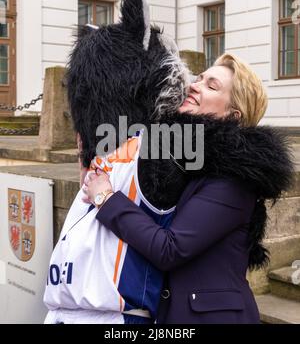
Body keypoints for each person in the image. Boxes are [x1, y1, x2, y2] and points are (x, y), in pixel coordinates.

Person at [84, 53, 294, 324]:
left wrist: (106, 198)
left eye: (211, 86)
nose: (194, 85)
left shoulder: (235, 177)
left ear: (233, 114)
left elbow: (169, 249)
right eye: (199, 78)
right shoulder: (188, 158)